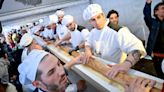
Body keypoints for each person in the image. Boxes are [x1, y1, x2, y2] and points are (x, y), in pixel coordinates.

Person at [83, 4, 146, 78]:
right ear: (89, 22)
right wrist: (87, 50)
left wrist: (126, 64)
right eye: (93, 20)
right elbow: (88, 42)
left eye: (98, 17)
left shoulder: (117, 31)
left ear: (103, 15)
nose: (97, 22)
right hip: (101, 69)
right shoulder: (93, 31)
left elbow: (137, 48)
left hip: (116, 71)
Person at [18, 50, 87, 92]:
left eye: (58, 64)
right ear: (37, 84)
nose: (62, 72)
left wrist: (74, 61)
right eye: (51, 72)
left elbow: (62, 69)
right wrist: (75, 88)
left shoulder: (49, 86)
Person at [143, 0, 164, 79]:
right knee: (160, 75)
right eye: (162, 8)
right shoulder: (152, 22)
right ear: (156, 12)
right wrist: (148, 3)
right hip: (157, 56)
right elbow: (146, 15)